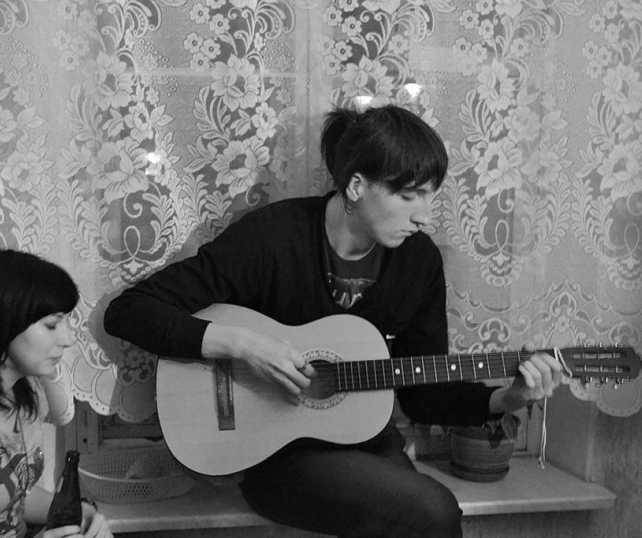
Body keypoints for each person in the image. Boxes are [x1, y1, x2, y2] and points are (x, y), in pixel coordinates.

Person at [103, 103, 563, 538]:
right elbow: (130, 311)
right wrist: (245, 346)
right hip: (272, 452)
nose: (424, 216)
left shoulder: (417, 263)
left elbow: (425, 395)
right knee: (432, 512)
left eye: (430, 196)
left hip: (366, 443)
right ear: (357, 186)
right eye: (409, 196)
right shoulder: (273, 237)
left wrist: (507, 398)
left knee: (420, 519)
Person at [0, 249, 112, 538]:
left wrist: (83, 514)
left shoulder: (26, 391)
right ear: (2, 321)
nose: (68, 339)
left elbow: (17, 497)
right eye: (52, 325)